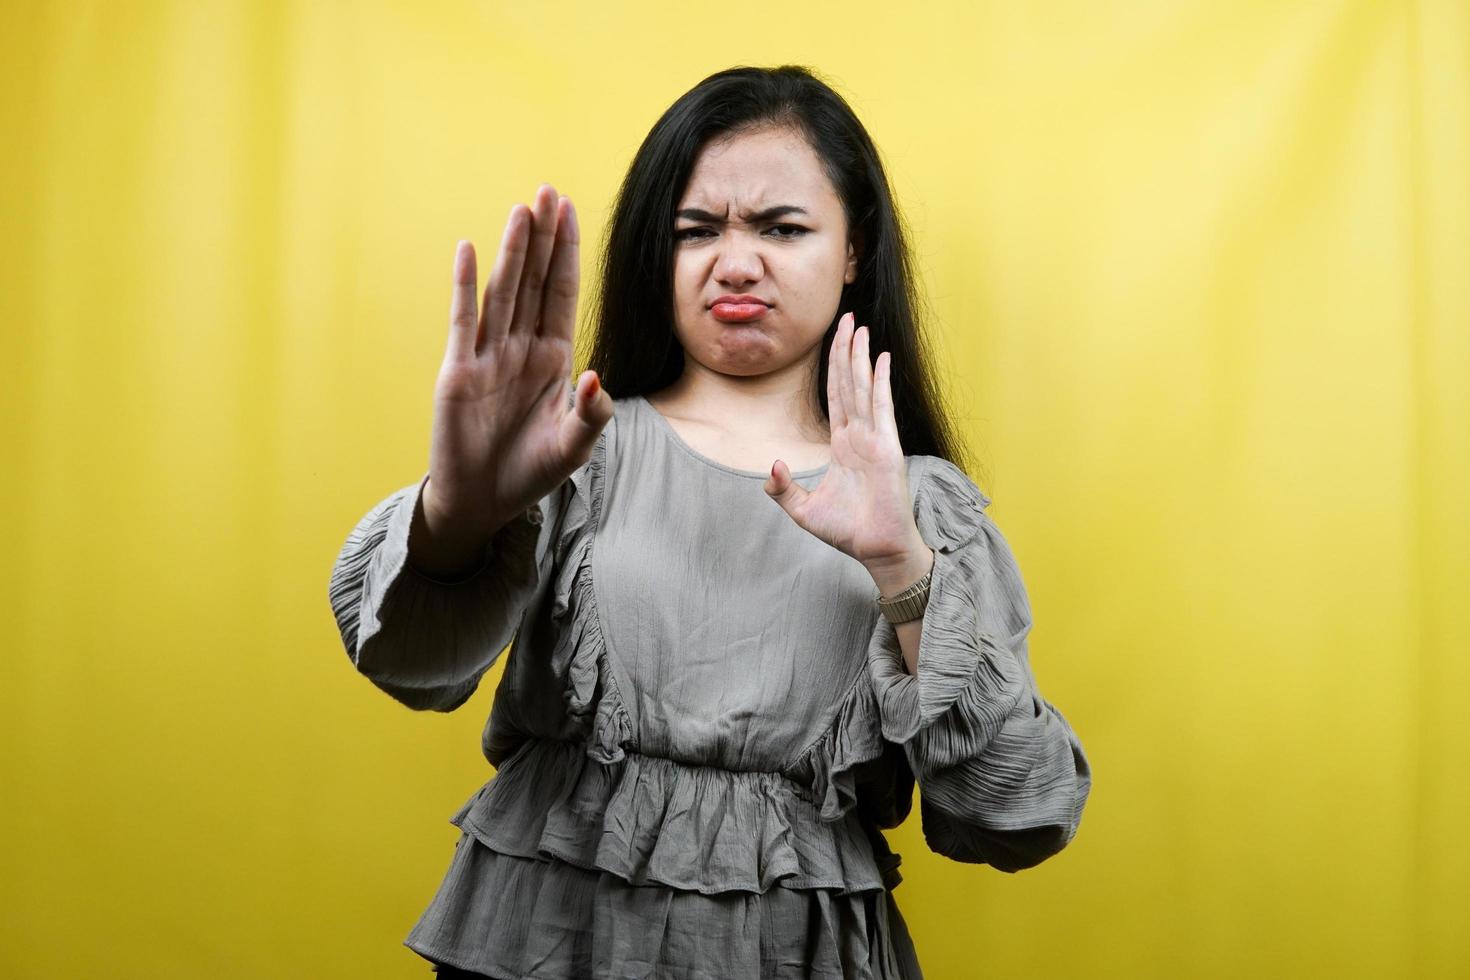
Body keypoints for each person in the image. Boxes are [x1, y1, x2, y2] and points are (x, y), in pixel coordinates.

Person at [327, 65, 1092, 980]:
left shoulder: (917, 507)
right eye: (697, 231)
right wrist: (456, 512)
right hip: (546, 941)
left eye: (781, 227)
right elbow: (407, 663)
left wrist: (900, 563)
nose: (736, 262)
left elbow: (1016, 814)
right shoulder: (576, 450)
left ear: (854, 251)